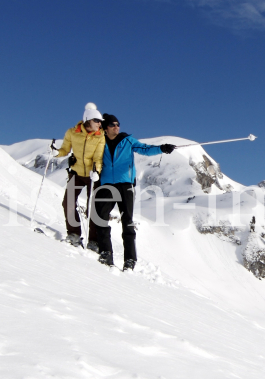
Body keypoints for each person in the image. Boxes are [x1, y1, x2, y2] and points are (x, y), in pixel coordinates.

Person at [93, 113, 175, 269]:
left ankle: (130, 259)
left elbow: (145, 149)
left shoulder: (127, 141)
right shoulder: (99, 142)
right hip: (106, 184)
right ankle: (105, 252)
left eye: (118, 124)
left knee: (127, 222)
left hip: (125, 185)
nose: (116, 127)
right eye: (113, 125)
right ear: (105, 128)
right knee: (100, 218)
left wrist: (162, 149)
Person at [54, 103, 106, 249]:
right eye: (97, 121)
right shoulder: (72, 132)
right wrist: (56, 153)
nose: (99, 124)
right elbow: (64, 149)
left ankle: (94, 241)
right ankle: (74, 234)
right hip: (76, 173)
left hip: (92, 175)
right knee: (68, 203)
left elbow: (98, 156)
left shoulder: (100, 136)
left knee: (93, 207)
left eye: (100, 121)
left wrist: (96, 170)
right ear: (88, 120)